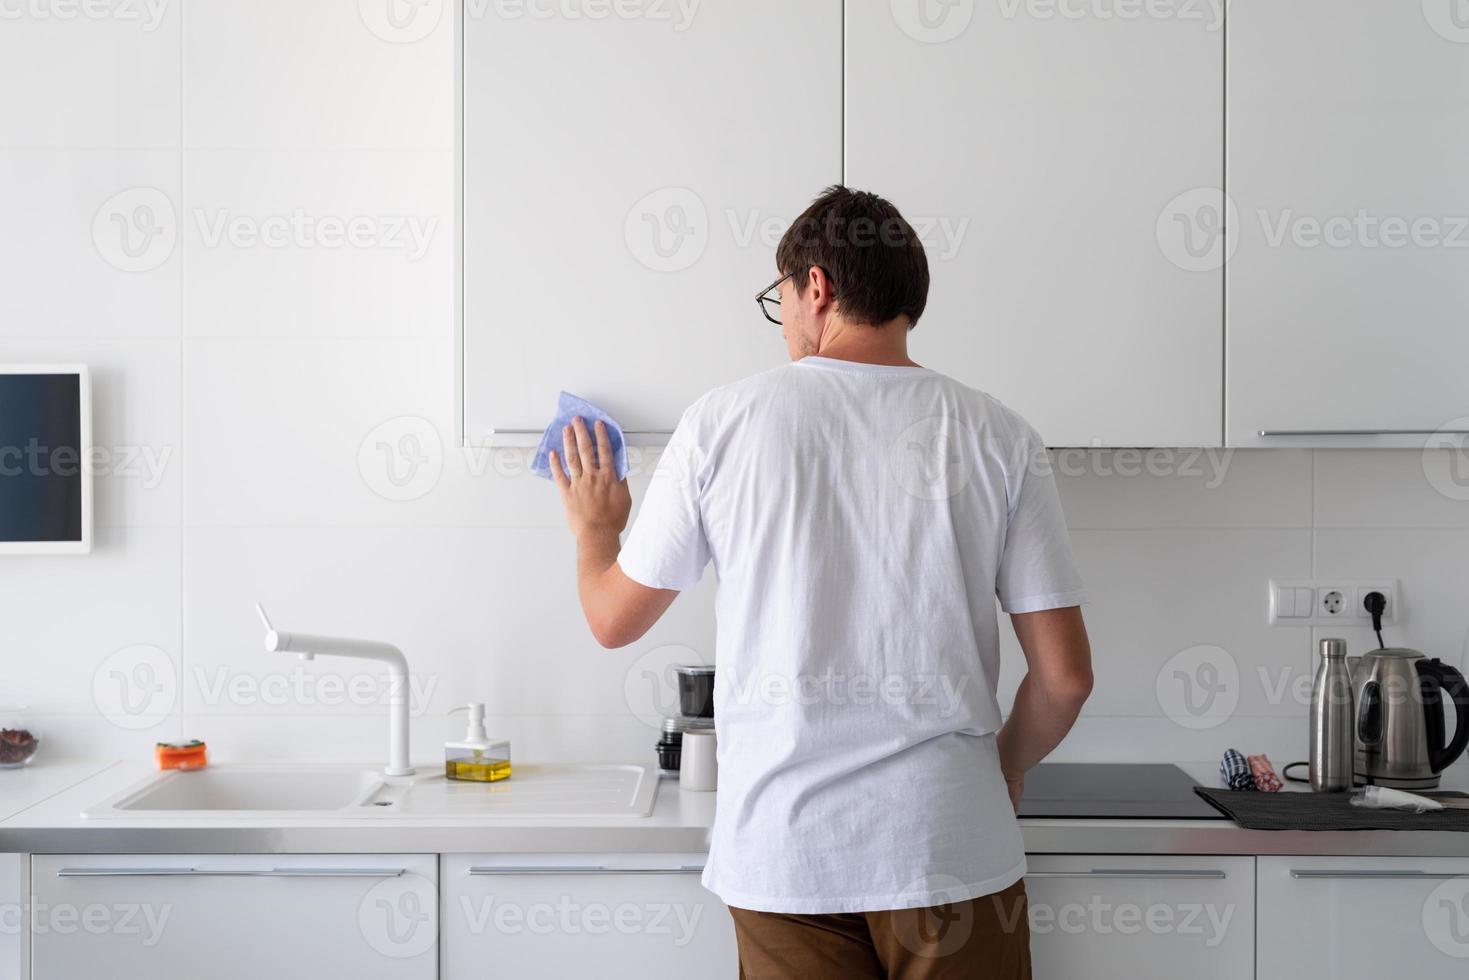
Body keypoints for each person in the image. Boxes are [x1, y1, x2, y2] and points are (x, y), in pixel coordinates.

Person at [549, 185, 1093, 979]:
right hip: (949, 842)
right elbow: (1066, 678)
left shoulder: (722, 422)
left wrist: (595, 530)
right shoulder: (999, 435)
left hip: (785, 856)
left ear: (816, 287)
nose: (787, 327)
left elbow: (611, 620)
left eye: (782, 300)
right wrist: (1003, 764)